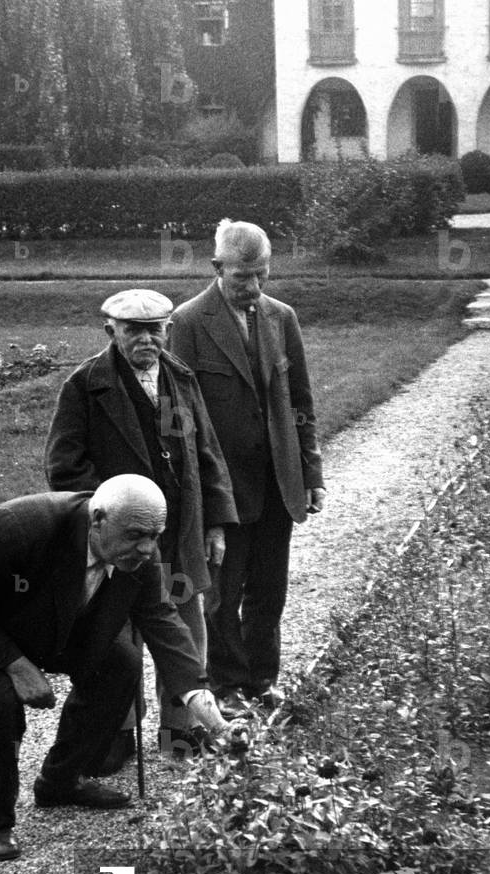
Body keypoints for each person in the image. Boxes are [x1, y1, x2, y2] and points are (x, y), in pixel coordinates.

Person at [0, 476, 242, 862]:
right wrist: (15, 664)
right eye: (136, 534)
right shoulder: (21, 526)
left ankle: (60, 781)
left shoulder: (137, 551)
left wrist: (212, 716)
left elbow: (162, 622)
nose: (148, 548)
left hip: (40, 602)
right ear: (97, 519)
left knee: (120, 664)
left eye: (155, 535)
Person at [45, 289, 238, 765]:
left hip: (180, 531)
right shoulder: (86, 385)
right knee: (122, 631)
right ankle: (117, 732)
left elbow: (207, 454)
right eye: (134, 330)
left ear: (168, 329)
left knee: (185, 630)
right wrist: (115, 515)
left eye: (156, 329)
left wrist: (216, 522)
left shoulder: (181, 378)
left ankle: (180, 731)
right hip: (123, 541)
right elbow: (64, 468)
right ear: (110, 330)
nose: (146, 339)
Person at [169, 219, 326, 715]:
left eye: (262, 275)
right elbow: (181, 417)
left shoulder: (282, 318)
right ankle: (227, 684)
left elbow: (301, 402)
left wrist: (311, 473)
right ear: (217, 268)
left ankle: (263, 678)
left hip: (279, 482)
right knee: (222, 592)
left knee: (269, 590)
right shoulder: (189, 323)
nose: (253, 288)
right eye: (242, 277)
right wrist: (201, 495)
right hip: (225, 489)